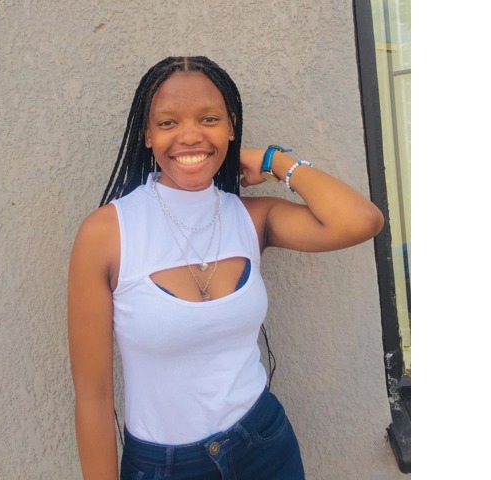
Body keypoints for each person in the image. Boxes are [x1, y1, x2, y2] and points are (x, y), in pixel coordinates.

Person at [68, 56, 384, 480]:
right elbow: (93, 396)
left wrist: (273, 160)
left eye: (209, 119)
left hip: (264, 446)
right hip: (165, 467)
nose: (190, 135)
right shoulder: (107, 234)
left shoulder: (250, 218)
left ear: (231, 127)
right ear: (147, 134)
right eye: (167, 123)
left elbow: (361, 221)